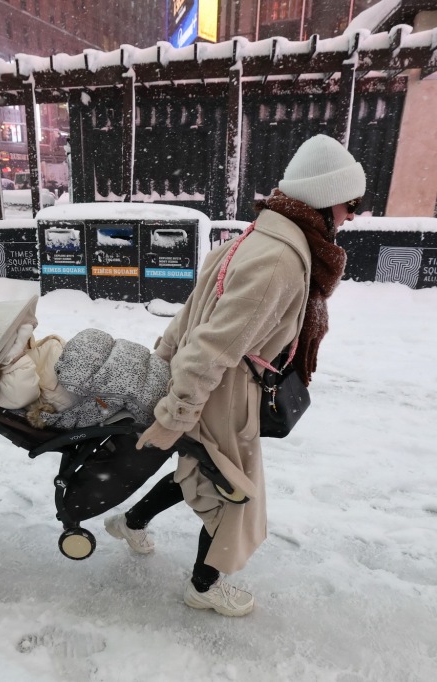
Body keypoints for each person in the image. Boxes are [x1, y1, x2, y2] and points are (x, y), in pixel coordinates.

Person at [103, 134, 365, 617]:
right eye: (351, 204)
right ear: (325, 199)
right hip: (224, 391)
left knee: (202, 469)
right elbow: (211, 346)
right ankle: (204, 586)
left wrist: (165, 367)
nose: (352, 216)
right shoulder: (280, 259)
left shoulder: (255, 237)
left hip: (211, 384)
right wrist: (176, 412)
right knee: (233, 491)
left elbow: (190, 315)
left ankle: (132, 522)